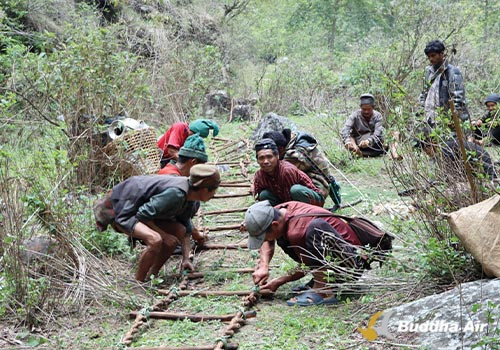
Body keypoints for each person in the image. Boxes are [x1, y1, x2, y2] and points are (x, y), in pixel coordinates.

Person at [93, 164, 220, 282]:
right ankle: (138, 282)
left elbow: (185, 227)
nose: (214, 195)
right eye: (213, 190)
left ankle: (153, 275)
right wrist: (164, 235)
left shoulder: (190, 196)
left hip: (139, 210)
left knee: (178, 232)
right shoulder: (176, 194)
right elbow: (142, 214)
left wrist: (186, 258)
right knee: (155, 240)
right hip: (122, 209)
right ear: (204, 190)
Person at [244, 200, 363, 306]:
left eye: (263, 237)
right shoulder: (280, 211)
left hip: (351, 265)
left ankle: (323, 291)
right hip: (337, 255)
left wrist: (278, 282)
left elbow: (305, 266)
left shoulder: (297, 231)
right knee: (282, 237)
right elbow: (268, 240)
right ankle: (327, 279)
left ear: (274, 225)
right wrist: (263, 266)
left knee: (316, 228)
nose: (264, 241)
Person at [262, 130, 341, 210]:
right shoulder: (291, 143)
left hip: (315, 192)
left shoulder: (294, 155)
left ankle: (301, 212)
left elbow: (277, 175)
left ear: (280, 148)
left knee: (295, 190)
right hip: (303, 187)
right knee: (264, 194)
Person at [252, 138, 325, 207]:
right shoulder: (259, 175)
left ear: (277, 156)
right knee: (264, 195)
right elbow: (258, 199)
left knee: (295, 190)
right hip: (285, 199)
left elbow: (289, 199)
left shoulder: (286, 171)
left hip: (311, 199)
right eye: (261, 158)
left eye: (269, 157)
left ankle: (306, 215)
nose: (266, 161)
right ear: (257, 160)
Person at [419, 40, 469, 127]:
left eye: (433, 55)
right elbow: (424, 93)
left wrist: (453, 119)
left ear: (441, 54)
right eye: (429, 56)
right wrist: (420, 112)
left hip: (445, 122)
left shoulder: (452, 72)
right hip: (429, 119)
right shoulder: (428, 72)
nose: (431, 59)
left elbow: (458, 99)